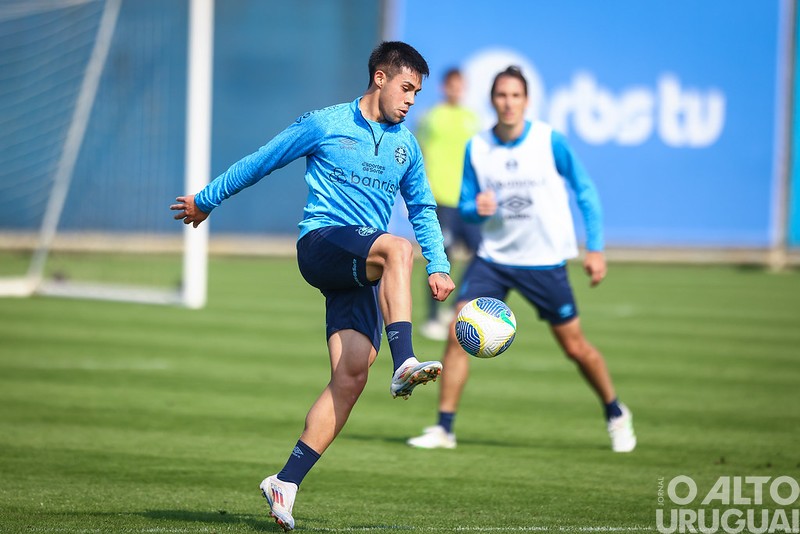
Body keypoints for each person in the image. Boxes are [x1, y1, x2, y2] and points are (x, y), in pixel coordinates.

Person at [171, 41, 455, 532]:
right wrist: (206, 199)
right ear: (380, 78)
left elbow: (423, 209)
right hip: (322, 245)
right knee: (398, 249)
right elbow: (263, 160)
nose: (412, 100)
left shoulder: (406, 146)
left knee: (352, 375)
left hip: (360, 267)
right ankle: (405, 360)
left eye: (417, 92)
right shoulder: (325, 123)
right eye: (407, 88)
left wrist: (441, 263)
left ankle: (285, 481)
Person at [406, 66, 636, 454]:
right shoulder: (478, 147)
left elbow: (585, 190)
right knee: (458, 332)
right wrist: (476, 209)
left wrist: (595, 248)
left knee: (575, 347)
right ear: (492, 100)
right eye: (501, 95)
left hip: (544, 261)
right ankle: (444, 428)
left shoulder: (549, 141)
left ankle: (615, 412)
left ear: (527, 100)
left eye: (515, 95)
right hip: (493, 259)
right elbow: (466, 205)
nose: (508, 103)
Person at [415, 68, 481, 341]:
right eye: (451, 85)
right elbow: (417, 153)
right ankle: (432, 318)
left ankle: (457, 306)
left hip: (466, 201)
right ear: (444, 87)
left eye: (460, 85)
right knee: (442, 258)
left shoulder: (472, 119)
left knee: (482, 254)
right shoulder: (431, 118)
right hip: (440, 198)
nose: (455, 90)